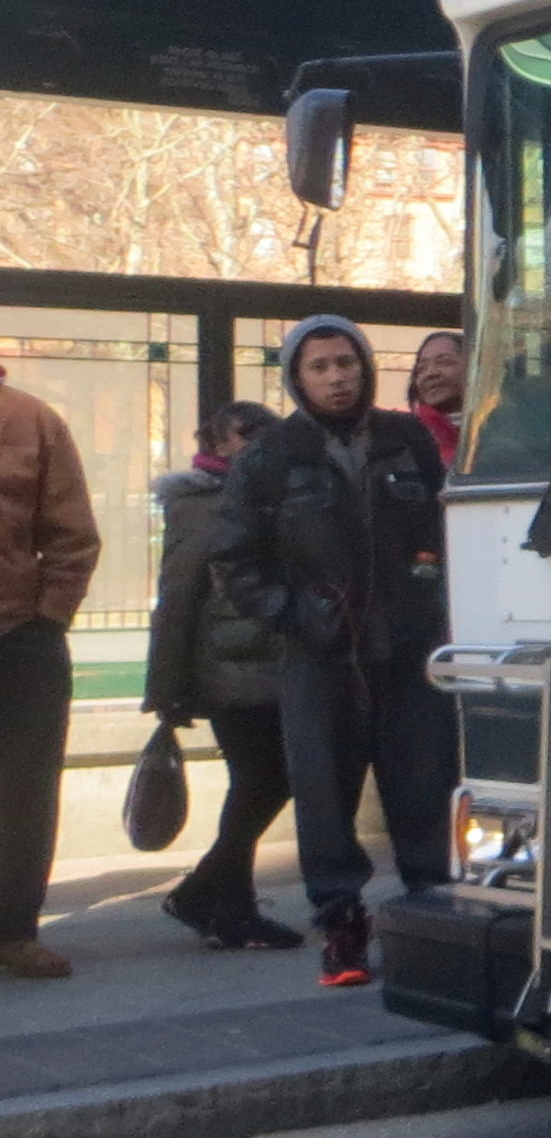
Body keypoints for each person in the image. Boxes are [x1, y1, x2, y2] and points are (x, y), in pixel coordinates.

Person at [211, 316, 454, 987]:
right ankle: (342, 927)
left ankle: (433, 919)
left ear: (365, 365)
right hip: (320, 656)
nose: (335, 376)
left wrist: (431, 600)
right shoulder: (269, 456)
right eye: (318, 366)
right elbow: (234, 563)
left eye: (345, 362)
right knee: (324, 797)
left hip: (408, 651)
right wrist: (296, 615)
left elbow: (445, 527)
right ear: (296, 377)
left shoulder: (407, 439)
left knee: (423, 789)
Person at [142, 401, 304, 951]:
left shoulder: (274, 496)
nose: (260, 442)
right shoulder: (199, 504)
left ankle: (211, 900)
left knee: (266, 782)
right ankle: (222, 906)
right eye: (246, 434)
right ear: (215, 444)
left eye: (267, 432)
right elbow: (177, 598)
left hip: (273, 665)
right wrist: (165, 691)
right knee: (263, 782)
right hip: (228, 673)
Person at [0, 359, 100, 980]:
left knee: (24, 794)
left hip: (20, 638)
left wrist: (47, 618)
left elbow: (72, 536)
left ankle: (14, 929)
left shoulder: (32, 419)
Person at [407, 330, 466, 466]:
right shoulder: (405, 438)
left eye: (444, 362)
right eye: (421, 368)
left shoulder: (511, 429)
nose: (430, 373)